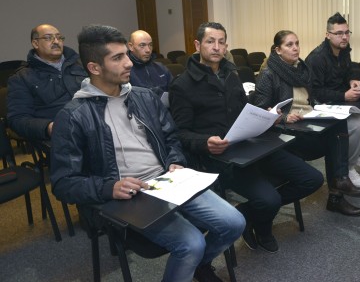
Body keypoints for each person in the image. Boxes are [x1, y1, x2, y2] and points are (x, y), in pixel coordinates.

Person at [50, 24, 245, 282]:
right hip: (129, 195)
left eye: (125, 55)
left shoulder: (144, 97)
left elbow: (171, 137)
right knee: (192, 244)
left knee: (234, 222)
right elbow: (63, 183)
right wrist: (109, 187)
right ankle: (194, 260)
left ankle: (199, 265)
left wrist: (175, 161)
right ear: (94, 68)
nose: (128, 63)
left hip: (167, 181)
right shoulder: (74, 115)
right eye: (117, 58)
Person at [169, 22, 323, 253]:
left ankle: (248, 213)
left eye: (221, 42)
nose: (216, 47)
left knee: (312, 178)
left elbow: (244, 110)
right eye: (210, 42)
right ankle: (261, 225)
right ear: (197, 44)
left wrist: (266, 116)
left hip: (250, 143)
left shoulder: (230, 75)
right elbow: (180, 133)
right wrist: (205, 143)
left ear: (226, 46)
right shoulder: (182, 85)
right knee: (269, 199)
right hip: (220, 155)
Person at [254, 30, 360, 217]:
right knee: (334, 142)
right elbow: (260, 111)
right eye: (289, 45)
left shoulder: (302, 68)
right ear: (278, 50)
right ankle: (337, 192)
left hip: (307, 121)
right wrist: (283, 118)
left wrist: (320, 107)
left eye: (297, 43)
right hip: (287, 130)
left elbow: (309, 98)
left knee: (338, 125)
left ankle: (339, 184)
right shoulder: (268, 74)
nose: (295, 48)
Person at [306, 12, 360, 188]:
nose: (344, 37)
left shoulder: (344, 50)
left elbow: (349, 70)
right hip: (326, 106)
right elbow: (315, 93)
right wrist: (343, 96)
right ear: (327, 35)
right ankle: (349, 168)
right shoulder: (317, 58)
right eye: (339, 33)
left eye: (347, 32)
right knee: (356, 124)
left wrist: (353, 79)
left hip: (344, 101)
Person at [7, 24, 87, 141]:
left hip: (98, 123)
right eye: (48, 38)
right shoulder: (21, 78)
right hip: (64, 136)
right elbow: (18, 119)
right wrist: (49, 127)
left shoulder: (83, 63)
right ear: (35, 44)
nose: (56, 41)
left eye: (59, 37)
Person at [127, 29, 173, 94]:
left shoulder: (161, 68)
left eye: (150, 45)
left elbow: (175, 92)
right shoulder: (125, 71)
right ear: (131, 46)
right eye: (142, 45)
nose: (148, 50)